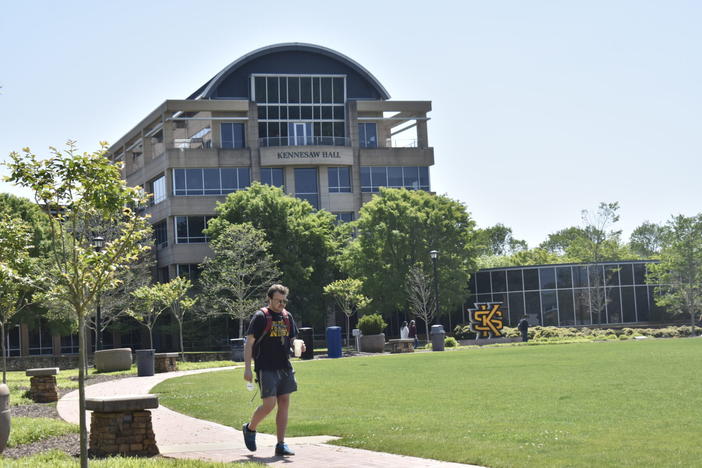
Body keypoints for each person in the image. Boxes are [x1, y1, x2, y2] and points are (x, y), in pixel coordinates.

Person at [242, 284, 305, 457]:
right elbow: (249, 344)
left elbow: (292, 338)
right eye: (278, 301)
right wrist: (247, 368)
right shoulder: (261, 316)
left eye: (284, 301)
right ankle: (250, 428)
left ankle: (280, 444)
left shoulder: (287, 316)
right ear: (270, 299)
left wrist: (298, 344)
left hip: (285, 365)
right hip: (266, 367)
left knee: (284, 402)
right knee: (269, 405)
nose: (282, 304)